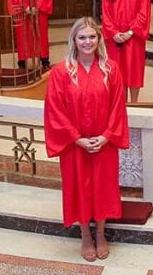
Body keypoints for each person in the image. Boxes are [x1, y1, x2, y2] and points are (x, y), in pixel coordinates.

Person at [43, 17, 128, 261]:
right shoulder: (61, 72)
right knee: (78, 187)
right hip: (74, 145)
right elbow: (54, 109)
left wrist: (106, 136)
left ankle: (101, 233)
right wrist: (76, 138)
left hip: (103, 142)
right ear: (74, 40)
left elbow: (117, 106)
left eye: (92, 36)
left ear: (99, 39)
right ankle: (85, 235)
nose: (87, 42)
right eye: (82, 37)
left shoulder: (110, 69)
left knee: (103, 187)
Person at [101, 0, 150, 103]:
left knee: (134, 71)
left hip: (134, 37)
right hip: (114, 38)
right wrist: (114, 32)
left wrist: (130, 32)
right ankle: (120, 105)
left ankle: (134, 104)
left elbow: (144, 13)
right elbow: (105, 12)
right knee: (117, 72)